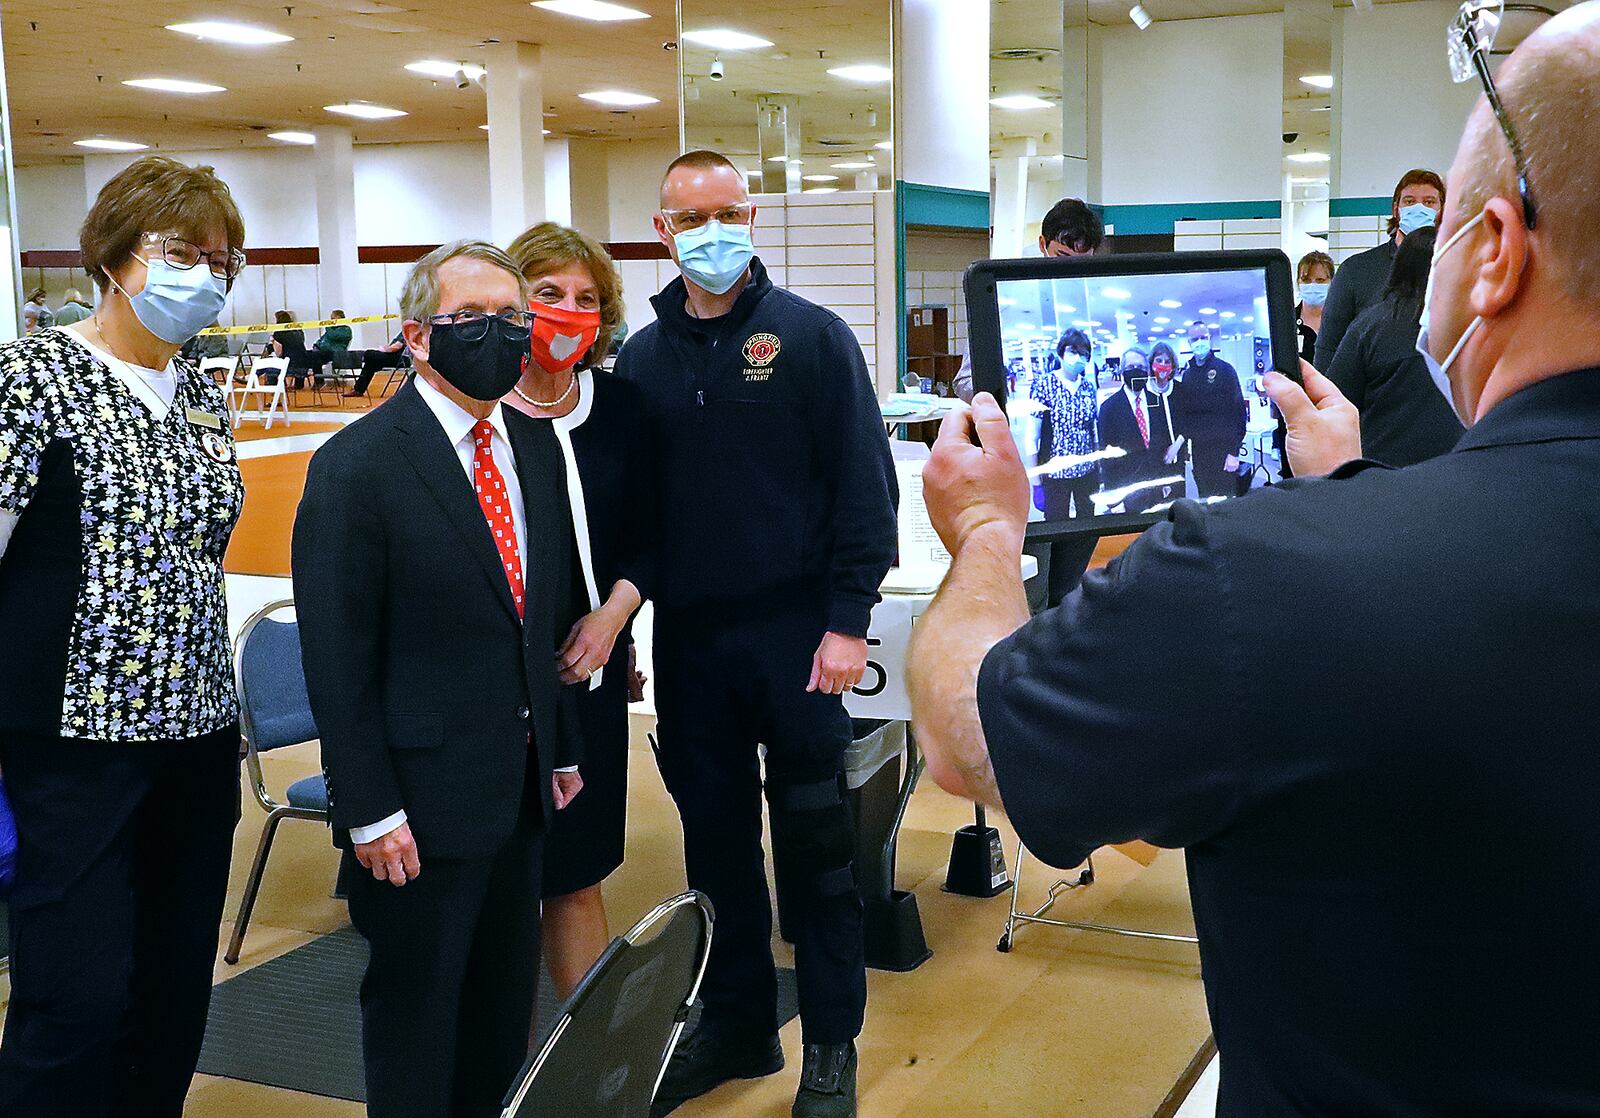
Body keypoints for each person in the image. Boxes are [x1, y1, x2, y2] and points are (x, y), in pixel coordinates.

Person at [907, 5, 1600, 1112]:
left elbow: (966, 733)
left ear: (1497, 257)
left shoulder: (1252, 579)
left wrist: (989, 533)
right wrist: (1348, 500)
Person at [620, 150, 897, 1118]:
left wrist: (847, 622)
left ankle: (829, 1041)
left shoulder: (812, 340)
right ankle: (737, 1022)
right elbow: (632, 515)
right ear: (661, 230)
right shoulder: (641, 359)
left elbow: (867, 489)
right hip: (693, 645)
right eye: (688, 215)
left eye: (727, 210)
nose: (709, 230)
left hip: (800, 641)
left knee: (818, 850)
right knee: (716, 850)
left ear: (752, 216)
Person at [292, 240, 584, 1118]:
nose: (500, 337)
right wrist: (370, 808)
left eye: (513, 319)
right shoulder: (358, 467)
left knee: (502, 1012)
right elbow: (337, 662)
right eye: (473, 320)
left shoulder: (532, 444)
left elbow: (540, 611)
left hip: (519, 786)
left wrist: (559, 746)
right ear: (418, 337)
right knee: (418, 1016)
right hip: (414, 807)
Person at [0, 155, 248, 1117]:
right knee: (77, 994)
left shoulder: (198, 392)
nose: (207, 276)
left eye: (222, 261)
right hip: (72, 745)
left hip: (194, 736)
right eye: (182, 251)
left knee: (172, 987)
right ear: (112, 255)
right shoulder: (33, 379)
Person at [503, 221, 652, 1002]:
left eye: (587, 298)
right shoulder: (477, 414)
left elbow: (651, 536)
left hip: (588, 683)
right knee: (497, 891)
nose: (568, 311)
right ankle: (498, 1063)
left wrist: (612, 619)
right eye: (548, 294)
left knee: (576, 877)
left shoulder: (623, 409)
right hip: (494, 694)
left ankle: (581, 1070)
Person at [1325, 226, 1464, 466]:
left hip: (1383, 472)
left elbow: (1336, 402)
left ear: (1398, 266)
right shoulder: (1471, 326)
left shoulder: (1369, 327)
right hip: (1456, 468)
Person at [953, 197, 1104, 403]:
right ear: (1043, 244)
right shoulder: (1003, 297)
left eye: (1082, 262)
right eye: (1062, 256)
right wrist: (1000, 397)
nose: (1070, 270)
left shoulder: (1098, 298)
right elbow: (964, 380)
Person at [1313, 169, 1445, 370]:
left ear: (1443, 210)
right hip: (1370, 394)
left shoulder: (1459, 270)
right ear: (1396, 210)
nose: (1419, 209)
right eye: (1409, 201)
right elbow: (1328, 349)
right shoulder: (1355, 271)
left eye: (1429, 202)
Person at [1029, 328, 1100, 520]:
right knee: (1057, 525)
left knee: (1087, 524)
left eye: (1083, 354)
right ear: (1061, 353)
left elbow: (1093, 430)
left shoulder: (1088, 387)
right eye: (1072, 352)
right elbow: (1031, 437)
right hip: (1055, 475)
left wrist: (1098, 469)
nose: (1077, 357)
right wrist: (1036, 483)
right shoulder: (1044, 384)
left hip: (1086, 473)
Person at [1276, 252, 1336, 478]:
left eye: (1320, 281)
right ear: (1298, 283)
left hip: (1333, 410)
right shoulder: (1287, 322)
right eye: (1306, 280)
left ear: (1332, 282)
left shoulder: (1342, 322)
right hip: (1294, 413)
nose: (1313, 286)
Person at [1177, 323, 1245, 496]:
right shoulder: (1188, 375)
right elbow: (1187, 416)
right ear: (1189, 342)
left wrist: (1234, 452)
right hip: (1200, 453)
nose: (1199, 342)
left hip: (1224, 451)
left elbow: (1239, 413)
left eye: (1203, 337)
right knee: (1204, 498)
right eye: (1195, 339)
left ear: (1209, 338)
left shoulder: (1225, 370)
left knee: (1226, 502)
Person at [349, 329, 407, 397]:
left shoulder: (410, 331)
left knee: (369, 354)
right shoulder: (407, 330)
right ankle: (358, 390)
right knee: (371, 363)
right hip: (395, 357)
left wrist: (384, 349)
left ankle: (361, 356)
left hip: (402, 359)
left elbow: (396, 347)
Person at [269, 309, 315, 388]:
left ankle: (273, 387)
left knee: (270, 367)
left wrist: (273, 342)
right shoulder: (299, 331)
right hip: (304, 363)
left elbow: (278, 353)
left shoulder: (278, 333)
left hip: (289, 364)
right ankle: (299, 383)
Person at [311, 308, 353, 375]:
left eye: (333, 318)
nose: (331, 320)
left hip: (336, 353)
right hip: (323, 351)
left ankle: (319, 381)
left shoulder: (346, 330)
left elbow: (333, 336)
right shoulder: (331, 329)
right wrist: (316, 345)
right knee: (307, 355)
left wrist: (328, 326)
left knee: (316, 356)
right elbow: (322, 339)